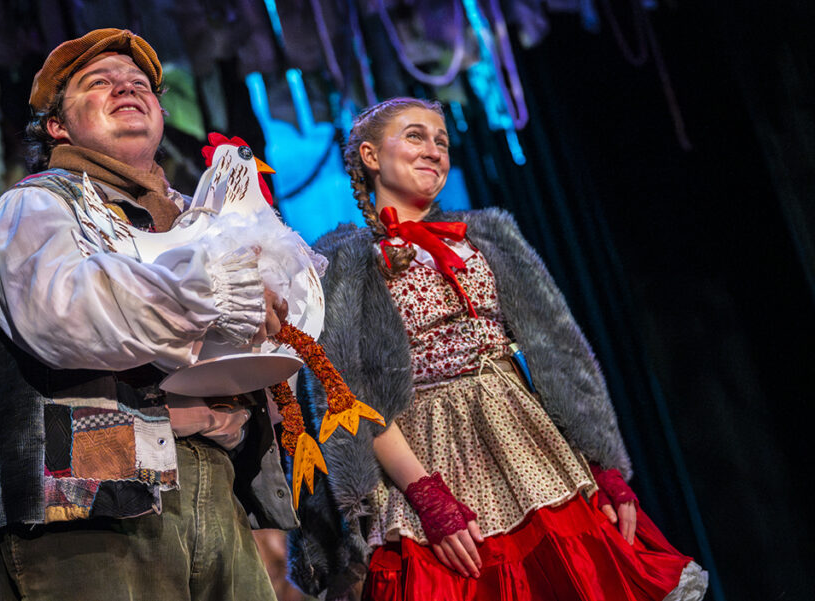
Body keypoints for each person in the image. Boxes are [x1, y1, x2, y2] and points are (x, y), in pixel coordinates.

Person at [286, 97, 708, 601]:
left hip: (528, 446)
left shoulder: (487, 236)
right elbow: (349, 399)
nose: (435, 151)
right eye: (416, 136)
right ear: (371, 157)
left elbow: (559, 351)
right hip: (425, 455)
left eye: (442, 141)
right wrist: (425, 493)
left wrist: (602, 465)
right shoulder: (344, 264)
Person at [0, 28, 297, 601]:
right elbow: (68, 314)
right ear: (57, 126)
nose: (125, 89)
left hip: (212, 490)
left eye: (140, 84)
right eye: (99, 83)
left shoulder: (197, 218)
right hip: (89, 513)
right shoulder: (33, 206)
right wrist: (217, 289)